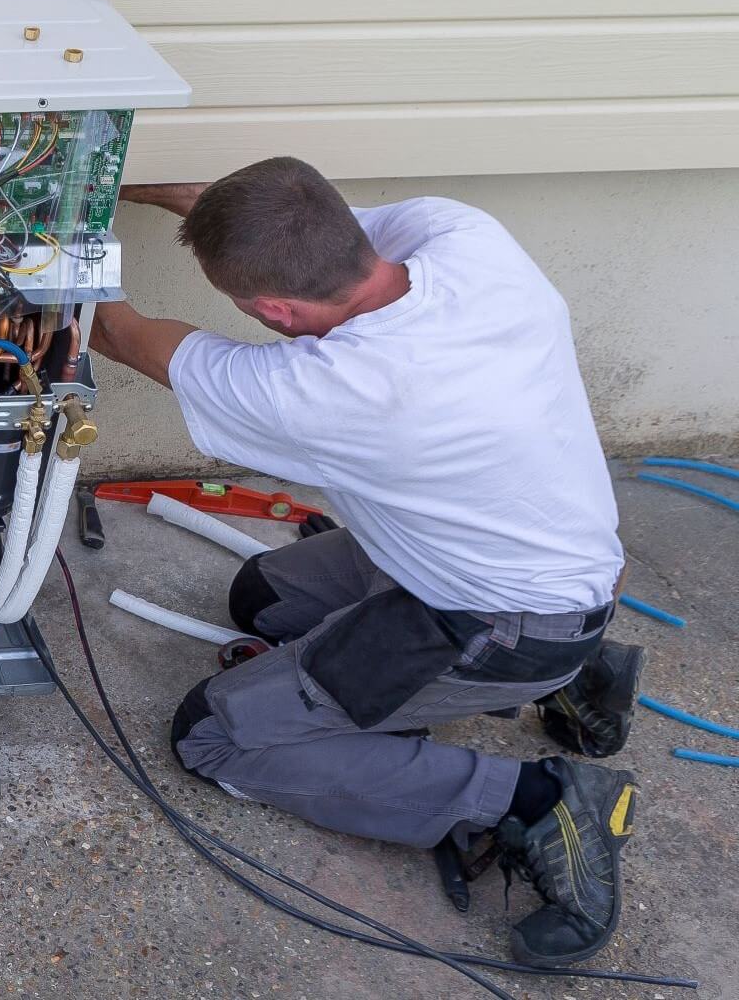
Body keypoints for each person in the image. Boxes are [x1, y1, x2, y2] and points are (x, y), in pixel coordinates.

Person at [87, 157, 643, 968]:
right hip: (534, 559)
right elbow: (231, 205)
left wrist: (62, 228)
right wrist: (94, 184)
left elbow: (112, 330)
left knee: (216, 736)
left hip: (495, 620)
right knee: (262, 599)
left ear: (272, 308)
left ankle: (539, 800)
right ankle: (580, 672)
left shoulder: (338, 387)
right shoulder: (463, 239)